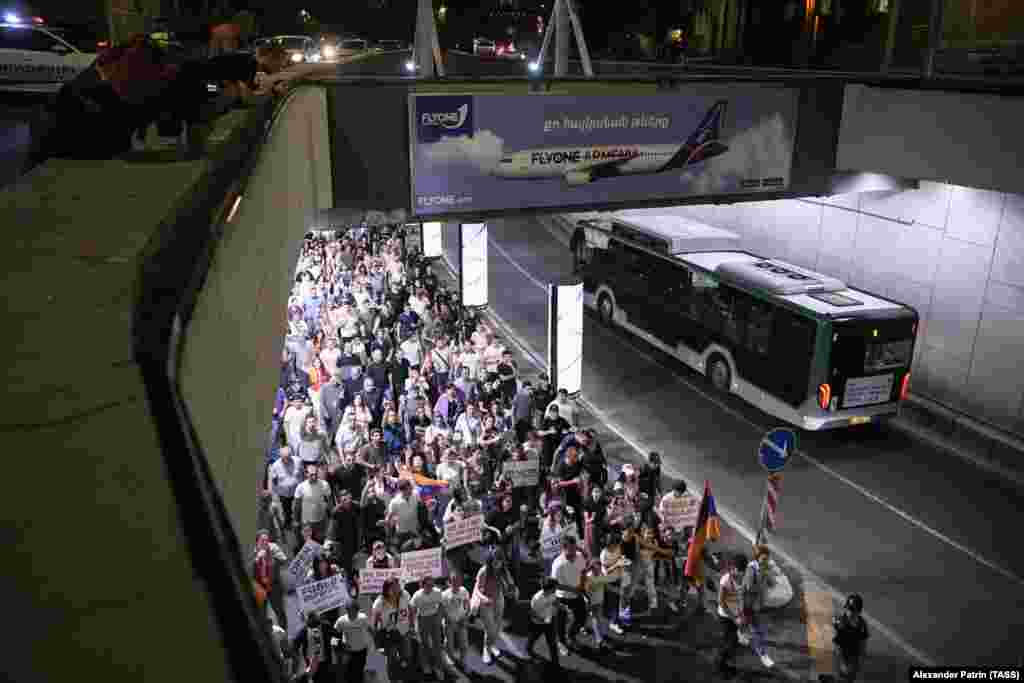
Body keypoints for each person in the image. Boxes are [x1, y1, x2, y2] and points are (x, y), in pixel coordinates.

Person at [471, 552, 516, 665]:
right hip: (486, 603)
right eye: (495, 561)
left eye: (500, 561)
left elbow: (511, 585)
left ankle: (492, 645)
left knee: (497, 627)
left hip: (499, 599)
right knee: (490, 629)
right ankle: (486, 650)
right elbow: (477, 589)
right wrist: (484, 598)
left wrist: (513, 590)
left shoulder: (504, 570)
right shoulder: (484, 571)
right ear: (490, 561)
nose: (497, 564)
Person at [551, 536, 588, 652]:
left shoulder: (579, 556)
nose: (573, 554)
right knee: (560, 622)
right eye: (570, 551)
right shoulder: (557, 564)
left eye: (574, 549)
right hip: (562, 597)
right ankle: (561, 642)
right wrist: (573, 589)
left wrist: (582, 585)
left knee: (582, 617)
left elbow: (583, 571)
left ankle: (571, 636)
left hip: (577, 594)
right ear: (563, 549)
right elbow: (555, 584)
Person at [251, 529, 289, 631]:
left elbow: (284, 560)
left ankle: (283, 632)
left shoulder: (273, 548)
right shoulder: (254, 553)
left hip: (274, 585)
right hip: (261, 588)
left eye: (266, 540)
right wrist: (257, 559)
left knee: (280, 611)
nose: (265, 543)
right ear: (257, 542)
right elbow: (251, 573)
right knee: (262, 613)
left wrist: (274, 554)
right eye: (262, 541)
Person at [372, 577, 414, 668]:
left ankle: (404, 666)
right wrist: (375, 632)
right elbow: (375, 617)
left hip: (404, 629)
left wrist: (412, 625)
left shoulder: (405, 595)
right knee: (391, 654)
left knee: (407, 652)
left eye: (397, 586)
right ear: (386, 589)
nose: (396, 589)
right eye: (393, 587)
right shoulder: (380, 602)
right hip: (389, 632)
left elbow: (410, 610)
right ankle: (391, 671)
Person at [715, 554, 745, 677]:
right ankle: (720, 666)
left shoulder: (742, 578)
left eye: (743, 571)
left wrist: (741, 614)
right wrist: (734, 618)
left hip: (736, 615)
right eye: (740, 570)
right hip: (725, 617)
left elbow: (741, 597)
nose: (741, 573)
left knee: (732, 641)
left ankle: (725, 663)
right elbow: (721, 602)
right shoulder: (725, 580)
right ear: (732, 568)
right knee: (729, 642)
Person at [410, 575, 445, 679]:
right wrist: (413, 623)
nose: (430, 587)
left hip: (434, 617)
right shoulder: (417, 595)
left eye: (432, 585)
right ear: (423, 585)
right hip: (422, 619)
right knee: (423, 644)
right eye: (428, 585)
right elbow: (412, 609)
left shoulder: (437, 592)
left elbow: (441, 605)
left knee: (437, 644)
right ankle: (426, 665)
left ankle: (438, 667)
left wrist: (439, 617)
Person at [830, 594, 868, 682]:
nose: (848, 611)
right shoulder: (841, 622)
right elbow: (837, 645)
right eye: (847, 609)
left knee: (850, 677)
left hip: (854, 656)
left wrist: (861, 659)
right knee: (841, 676)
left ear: (858, 611)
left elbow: (863, 643)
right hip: (842, 654)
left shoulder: (862, 624)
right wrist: (841, 662)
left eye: (851, 609)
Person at [334, 601, 373, 683]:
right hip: (348, 652)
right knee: (349, 673)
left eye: (354, 610)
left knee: (359, 672)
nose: (352, 613)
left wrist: (376, 643)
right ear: (347, 610)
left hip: (361, 650)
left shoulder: (363, 618)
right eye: (349, 610)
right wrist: (338, 648)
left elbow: (371, 630)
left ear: (357, 610)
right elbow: (334, 636)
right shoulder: (341, 621)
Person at [293, 464, 333, 543]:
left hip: (320, 520)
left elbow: (329, 500)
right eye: (311, 475)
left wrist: (331, 515)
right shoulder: (300, 487)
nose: (314, 477)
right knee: (308, 542)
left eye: (315, 474)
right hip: (306, 521)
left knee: (320, 540)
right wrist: (296, 520)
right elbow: (297, 505)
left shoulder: (324, 484)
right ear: (306, 474)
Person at [527, 578, 563, 665]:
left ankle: (555, 662)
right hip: (538, 624)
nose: (556, 589)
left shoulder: (553, 593)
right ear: (550, 588)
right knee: (533, 637)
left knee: (552, 643)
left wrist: (560, 606)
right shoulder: (537, 599)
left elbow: (554, 601)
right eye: (555, 587)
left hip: (549, 621)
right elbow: (532, 614)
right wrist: (542, 620)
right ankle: (528, 648)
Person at [441, 570, 471, 671]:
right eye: (454, 580)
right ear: (450, 581)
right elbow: (442, 610)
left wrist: (465, 617)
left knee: (464, 644)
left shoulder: (464, 591)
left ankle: (463, 661)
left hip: (461, 622)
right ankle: (449, 658)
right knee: (449, 645)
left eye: (458, 580)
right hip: (449, 623)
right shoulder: (444, 595)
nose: (456, 583)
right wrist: (448, 619)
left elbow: (467, 606)